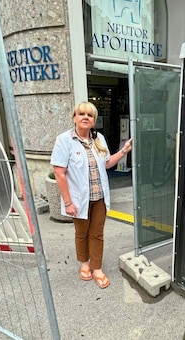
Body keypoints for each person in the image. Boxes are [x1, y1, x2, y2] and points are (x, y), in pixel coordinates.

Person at [50, 101, 133, 289]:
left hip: (99, 198)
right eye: (81, 114)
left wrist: (123, 151)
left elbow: (106, 163)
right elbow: (59, 173)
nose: (85, 117)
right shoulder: (64, 140)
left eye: (90, 115)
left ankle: (96, 268)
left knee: (97, 234)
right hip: (79, 200)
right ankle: (84, 263)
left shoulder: (99, 139)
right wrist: (68, 202)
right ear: (74, 118)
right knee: (82, 233)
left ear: (94, 120)